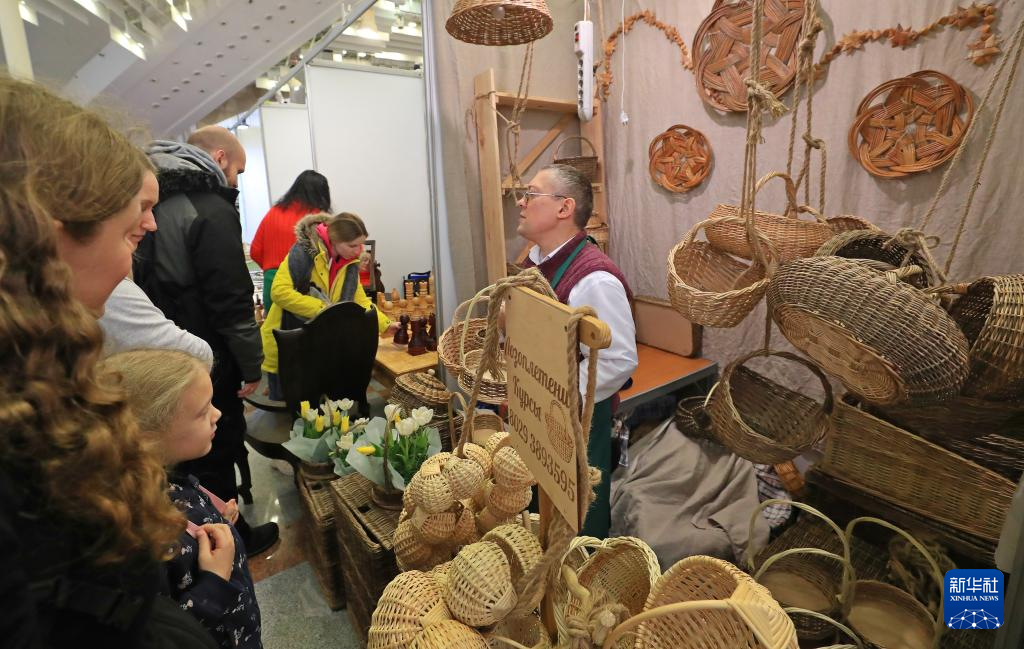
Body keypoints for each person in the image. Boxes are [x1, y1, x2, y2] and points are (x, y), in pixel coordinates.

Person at [0, 74, 217, 648]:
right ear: (49, 243)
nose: (130, 261)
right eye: (126, 236)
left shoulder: (39, 390)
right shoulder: (21, 457)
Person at [134, 126, 278, 554]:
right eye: (239, 171)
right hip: (206, 354)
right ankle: (230, 541)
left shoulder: (159, 203)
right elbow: (232, 301)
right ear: (219, 158)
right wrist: (251, 366)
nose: (237, 181)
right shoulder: (210, 208)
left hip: (161, 351)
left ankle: (199, 539)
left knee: (184, 455)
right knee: (216, 443)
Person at [99, 350, 263, 649]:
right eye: (202, 412)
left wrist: (216, 518)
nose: (217, 414)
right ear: (146, 436)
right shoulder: (139, 537)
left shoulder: (163, 478)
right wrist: (214, 581)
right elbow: (165, 637)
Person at [516, 164, 638, 539]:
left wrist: (559, 396)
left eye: (531, 194)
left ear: (564, 207)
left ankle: (585, 569)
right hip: (539, 409)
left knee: (579, 516)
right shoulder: (537, 261)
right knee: (542, 510)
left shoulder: (595, 280)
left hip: (578, 419)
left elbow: (619, 359)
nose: (521, 202)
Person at [260, 212, 397, 402]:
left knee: (317, 399)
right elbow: (279, 292)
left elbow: (360, 300)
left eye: (361, 245)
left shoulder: (349, 263)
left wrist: (384, 324)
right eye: (353, 245)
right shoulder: (303, 253)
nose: (358, 251)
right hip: (291, 337)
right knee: (295, 403)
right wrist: (324, 309)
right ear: (335, 239)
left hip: (319, 340)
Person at [99, 170, 214, 362]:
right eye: (142, 207)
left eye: (151, 209)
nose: (152, 224)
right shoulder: (110, 285)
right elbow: (194, 353)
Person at [250, 169, 332, 312]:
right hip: (306, 288)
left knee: (273, 325)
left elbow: (255, 251)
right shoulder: (317, 219)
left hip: (272, 284)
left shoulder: (273, 212)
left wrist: (272, 269)